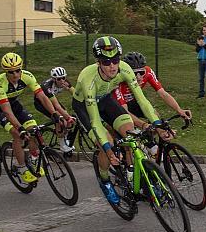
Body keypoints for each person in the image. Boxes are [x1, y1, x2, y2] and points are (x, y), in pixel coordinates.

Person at [72, 36, 164, 205]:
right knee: (105, 143)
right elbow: (95, 121)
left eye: (115, 60)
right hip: (85, 107)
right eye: (106, 63)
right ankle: (105, 180)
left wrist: (157, 124)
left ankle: (132, 173)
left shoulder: (125, 69)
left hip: (106, 100)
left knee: (131, 133)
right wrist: (108, 149)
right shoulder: (88, 78)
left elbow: (142, 101)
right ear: (98, 63)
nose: (112, 66)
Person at [0, 52, 63, 184]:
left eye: (18, 70)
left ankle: (34, 159)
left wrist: (54, 113)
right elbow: (7, 111)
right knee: (17, 134)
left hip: (14, 104)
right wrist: (20, 128)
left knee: (34, 129)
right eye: (11, 72)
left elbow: (42, 97)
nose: (15, 75)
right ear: (5, 72)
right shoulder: (0, 83)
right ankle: (21, 168)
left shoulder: (27, 76)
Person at [116, 51, 192, 121]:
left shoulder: (148, 72)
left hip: (134, 101)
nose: (139, 77)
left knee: (156, 117)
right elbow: (124, 109)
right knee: (124, 125)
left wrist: (179, 110)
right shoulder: (119, 77)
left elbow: (163, 93)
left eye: (141, 72)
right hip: (118, 103)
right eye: (134, 73)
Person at [34, 66, 76, 154]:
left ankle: (64, 139)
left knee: (66, 118)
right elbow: (56, 106)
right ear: (54, 79)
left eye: (63, 78)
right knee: (60, 120)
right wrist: (67, 117)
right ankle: (62, 145)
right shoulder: (47, 87)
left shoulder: (65, 82)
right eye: (59, 79)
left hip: (51, 100)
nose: (62, 81)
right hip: (41, 103)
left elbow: (75, 94)